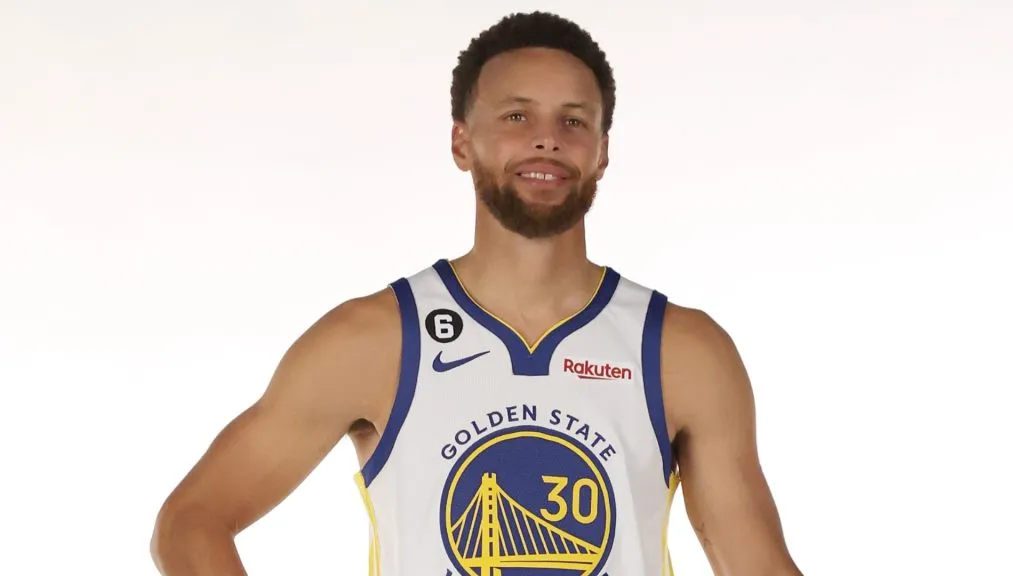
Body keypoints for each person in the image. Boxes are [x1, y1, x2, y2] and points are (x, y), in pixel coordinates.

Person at [151, 11, 803, 576]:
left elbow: (759, 566)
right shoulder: (375, 340)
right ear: (462, 142)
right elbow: (190, 521)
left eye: (573, 121)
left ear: (602, 153)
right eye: (517, 116)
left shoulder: (680, 351)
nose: (547, 138)